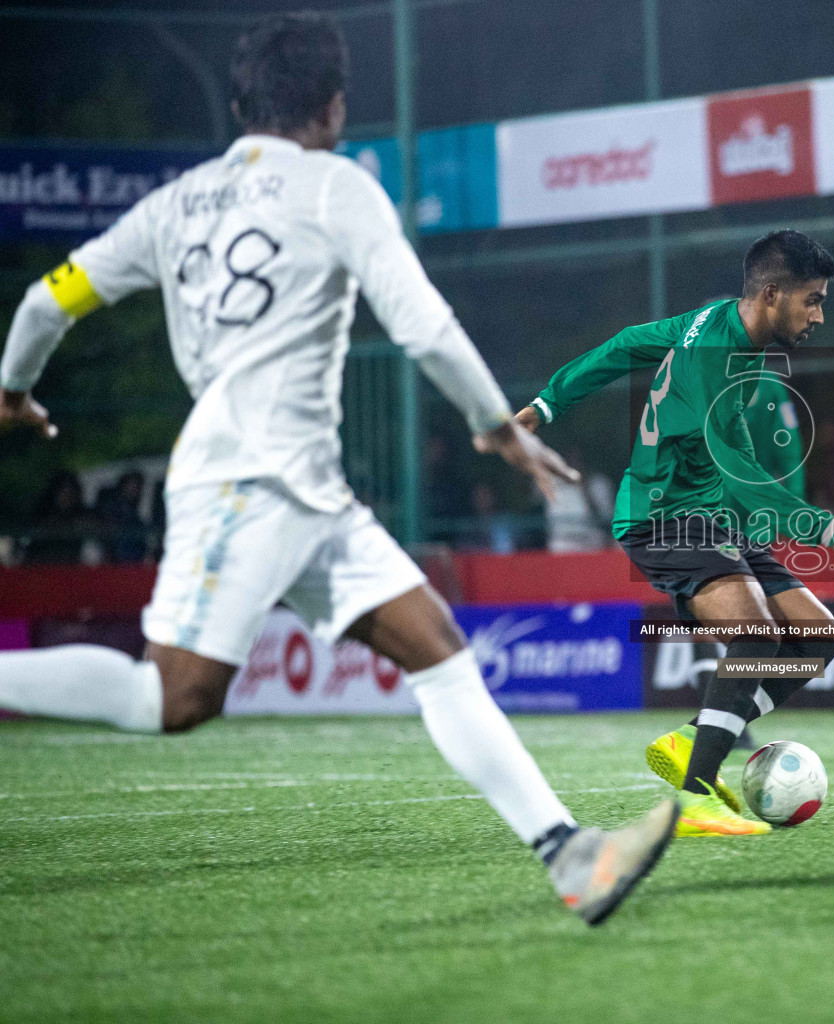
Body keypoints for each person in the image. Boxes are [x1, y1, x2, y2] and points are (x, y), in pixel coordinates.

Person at [0, 13, 675, 924]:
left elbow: (51, 299)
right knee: (171, 697)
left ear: (241, 102)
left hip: (300, 486)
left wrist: (12, 390)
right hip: (247, 477)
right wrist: (495, 424)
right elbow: (424, 324)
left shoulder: (175, 202)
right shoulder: (335, 188)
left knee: (434, 644)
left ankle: (570, 855)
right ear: (333, 105)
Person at [517, 229, 834, 837]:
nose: (820, 314)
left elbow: (624, 345)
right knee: (755, 636)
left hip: (713, 516)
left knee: (820, 638)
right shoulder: (715, 361)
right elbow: (739, 470)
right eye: (813, 299)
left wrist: (548, 403)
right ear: (772, 293)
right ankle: (695, 795)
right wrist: (825, 527)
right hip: (663, 515)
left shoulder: (717, 324)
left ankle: (698, 736)